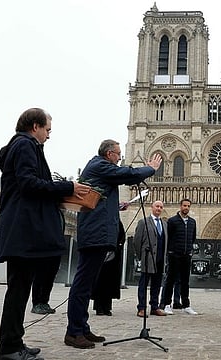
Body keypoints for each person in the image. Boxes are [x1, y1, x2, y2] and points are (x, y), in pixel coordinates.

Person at [0, 107, 91, 360]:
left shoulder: (24, 146)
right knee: (18, 290)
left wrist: (61, 195)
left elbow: (31, 185)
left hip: (22, 228)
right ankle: (10, 348)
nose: (48, 135)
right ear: (35, 126)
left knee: (20, 289)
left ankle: (14, 342)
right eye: (47, 129)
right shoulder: (25, 145)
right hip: (23, 230)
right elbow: (29, 183)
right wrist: (67, 187)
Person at [64, 139, 162, 349]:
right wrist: (151, 169)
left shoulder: (100, 167)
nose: (119, 157)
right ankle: (73, 332)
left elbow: (98, 197)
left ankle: (81, 327)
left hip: (97, 232)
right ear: (109, 154)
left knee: (87, 283)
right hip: (95, 234)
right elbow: (124, 175)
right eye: (117, 154)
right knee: (82, 285)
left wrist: (116, 206)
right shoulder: (100, 165)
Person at [161, 199, 198, 315]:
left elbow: (193, 238)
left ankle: (186, 305)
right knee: (170, 280)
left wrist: (189, 250)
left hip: (186, 254)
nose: (186, 208)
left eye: (188, 206)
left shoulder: (192, 222)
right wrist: (171, 251)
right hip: (174, 254)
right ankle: (167, 304)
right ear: (180, 206)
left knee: (185, 281)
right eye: (184, 205)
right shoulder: (172, 221)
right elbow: (168, 237)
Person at [134, 200, 168, 317]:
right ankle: (141, 308)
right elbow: (137, 241)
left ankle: (154, 306)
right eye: (157, 206)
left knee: (157, 284)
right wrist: (141, 256)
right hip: (147, 258)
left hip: (160, 258)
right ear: (151, 207)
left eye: (161, 207)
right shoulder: (143, 222)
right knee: (143, 284)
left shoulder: (164, 224)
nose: (159, 209)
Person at [90, 220, 126, 316]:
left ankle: (107, 307)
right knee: (99, 282)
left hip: (113, 256)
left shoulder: (117, 222)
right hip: (100, 255)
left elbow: (122, 236)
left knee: (109, 283)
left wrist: (119, 245)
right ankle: (98, 307)